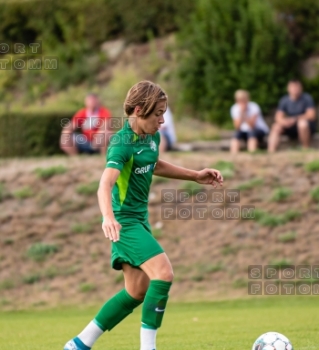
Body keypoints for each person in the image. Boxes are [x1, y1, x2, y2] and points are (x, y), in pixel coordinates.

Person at [63, 81, 223, 350]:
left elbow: (153, 162)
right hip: (124, 222)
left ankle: (79, 344)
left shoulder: (152, 137)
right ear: (138, 110)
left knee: (136, 292)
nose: (162, 120)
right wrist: (108, 217)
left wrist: (194, 175)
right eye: (158, 114)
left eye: (163, 113)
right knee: (164, 273)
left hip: (140, 221)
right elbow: (105, 184)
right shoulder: (121, 143)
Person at [268, 79, 317, 152]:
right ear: (288, 88)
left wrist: (295, 119)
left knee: (302, 123)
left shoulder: (307, 98)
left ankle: (305, 148)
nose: (295, 89)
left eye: (297, 87)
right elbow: (278, 117)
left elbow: (311, 115)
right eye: (293, 87)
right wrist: (284, 122)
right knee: (276, 126)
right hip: (290, 126)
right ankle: (271, 151)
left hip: (306, 127)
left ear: (301, 88)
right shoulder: (284, 100)